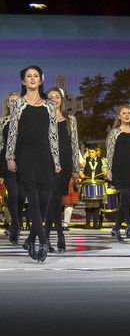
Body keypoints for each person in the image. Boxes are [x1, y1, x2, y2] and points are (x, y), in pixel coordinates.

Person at [6, 65, 61, 262]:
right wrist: (10, 157)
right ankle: (44, 241)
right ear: (23, 81)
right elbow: (12, 133)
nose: (32, 79)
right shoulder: (18, 104)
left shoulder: (49, 105)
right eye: (28, 76)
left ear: (41, 79)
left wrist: (56, 160)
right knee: (34, 200)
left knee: (45, 200)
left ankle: (30, 239)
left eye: (35, 76)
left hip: (45, 156)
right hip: (25, 156)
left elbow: (53, 135)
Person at [42, 87, 80, 252]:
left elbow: (74, 144)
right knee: (51, 201)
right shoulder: (42, 118)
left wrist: (76, 168)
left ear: (62, 100)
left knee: (56, 201)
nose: (54, 99)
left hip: (64, 164)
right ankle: (57, 236)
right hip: (46, 163)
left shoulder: (71, 120)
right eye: (51, 97)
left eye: (57, 97)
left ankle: (53, 237)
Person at [105, 104, 130, 242]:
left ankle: (116, 227)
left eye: (129, 113)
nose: (127, 115)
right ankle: (129, 224)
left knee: (126, 199)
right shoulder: (115, 132)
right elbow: (109, 152)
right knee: (125, 196)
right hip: (119, 168)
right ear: (119, 116)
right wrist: (108, 169)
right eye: (124, 113)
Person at [0, 92, 24, 244]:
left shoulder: (27, 120)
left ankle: (17, 222)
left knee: (22, 196)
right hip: (6, 162)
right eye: (11, 101)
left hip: (24, 162)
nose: (14, 103)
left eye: (17, 101)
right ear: (7, 104)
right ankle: (15, 225)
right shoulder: (2, 121)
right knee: (13, 194)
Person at [80, 147, 104, 229]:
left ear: (96, 152)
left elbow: (105, 169)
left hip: (97, 184)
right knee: (88, 204)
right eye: (89, 152)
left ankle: (95, 224)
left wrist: (105, 172)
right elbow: (81, 169)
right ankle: (87, 223)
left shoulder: (102, 160)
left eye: (92, 152)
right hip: (88, 184)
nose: (90, 154)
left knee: (96, 204)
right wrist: (81, 173)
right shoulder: (85, 160)